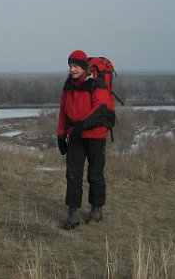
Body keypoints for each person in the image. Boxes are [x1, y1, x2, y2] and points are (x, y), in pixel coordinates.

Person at [57, 49, 112, 230]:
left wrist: (82, 126)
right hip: (75, 137)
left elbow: (100, 109)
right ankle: (73, 214)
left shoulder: (97, 84)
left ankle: (96, 209)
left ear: (84, 67)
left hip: (95, 136)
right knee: (73, 176)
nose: (72, 69)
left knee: (95, 175)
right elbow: (63, 111)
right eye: (70, 66)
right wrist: (60, 134)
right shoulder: (68, 85)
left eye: (75, 66)